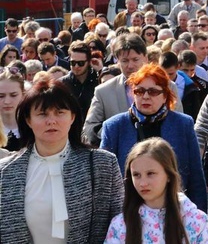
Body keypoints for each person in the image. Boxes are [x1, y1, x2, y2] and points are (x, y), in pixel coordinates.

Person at [0, 78, 123, 242]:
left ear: (72, 117)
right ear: (28, 120)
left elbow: (120, 225)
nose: (51, 121)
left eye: (60, 112)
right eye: (42, 114)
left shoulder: (102, 164)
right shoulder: (6, 171)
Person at [100, 63, 207, 211]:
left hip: (175, 211)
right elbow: (105, 183)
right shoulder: (114, 127)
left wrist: (198, 216)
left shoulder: (183, 124)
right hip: (129, 213)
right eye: (139, 91)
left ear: (165, 96)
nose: (145, 96)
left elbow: (196, 177)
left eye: (153, 91)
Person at [104, 138, 208, 243]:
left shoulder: (195, 220)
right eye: (136, 175)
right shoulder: (121, 225)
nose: (143, 183)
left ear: (169, 175)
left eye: (150, 174)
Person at [84, 34, 183, 145]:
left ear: (145, 58)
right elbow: (90, 128)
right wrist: (114, 134)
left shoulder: (168, 86)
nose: (130, 66)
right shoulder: (103, 92)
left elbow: (178, 124)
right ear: (117, 61)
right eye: (125, 61)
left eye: (135, 59)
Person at [0, 67, 25, 151]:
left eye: (13, 95)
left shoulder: (34, 127)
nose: (7, 101)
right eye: (1, 96)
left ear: (23, 94)